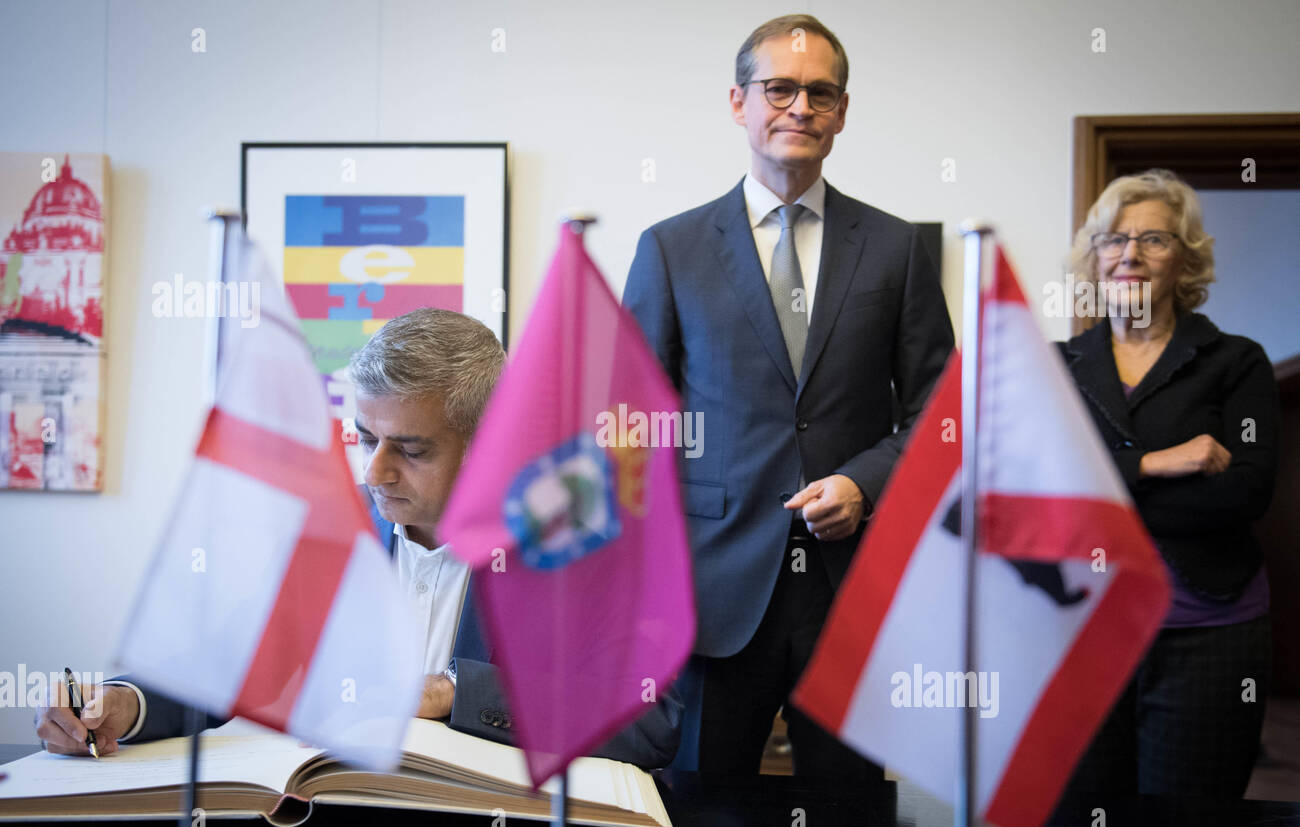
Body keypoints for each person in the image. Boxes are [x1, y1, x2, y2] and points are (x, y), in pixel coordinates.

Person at [34, 308, 683, 769]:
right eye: (366, 439)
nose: (373, 473)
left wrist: (455, 692)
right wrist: (124, 702)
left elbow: (649, 725)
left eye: (410, 449)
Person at [622, 14, 953, 778]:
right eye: (779, 88)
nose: (800, 106)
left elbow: (941, 411)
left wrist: (864, 484)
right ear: (739, 102)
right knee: (704, 817)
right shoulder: (670, 248)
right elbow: (635, 421)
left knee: (854, 821)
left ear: (841, 112)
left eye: (820, 92)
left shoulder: (897, 247)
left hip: (851, 586)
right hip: (716, 585)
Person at [1059, 169, 1279, 798]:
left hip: (1207, 632)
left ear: (1185, 260)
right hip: (1074, 632)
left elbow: (1245, 493)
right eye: (1112, 239)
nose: (1129, 253)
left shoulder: (1237, 362)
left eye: (1154, 239)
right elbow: (1036, 496)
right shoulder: (1054, 365)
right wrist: (1157, 464)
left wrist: (1099, 483)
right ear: (1094, 258)